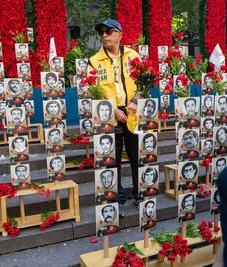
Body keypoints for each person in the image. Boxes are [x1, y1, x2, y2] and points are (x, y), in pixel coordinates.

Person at [90, 19, 142, 216]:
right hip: (109, 115)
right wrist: (113, 111)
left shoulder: (133, 56)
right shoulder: (94, 61)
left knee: (137, 157)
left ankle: (139, 194)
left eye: (109, 31)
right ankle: (117, 198)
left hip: (133, 111)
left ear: (120, 34)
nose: (104, 35)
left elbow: (143, 82)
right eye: (102, 32)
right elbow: (93, 91)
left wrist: (135, 102)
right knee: (113, 159)